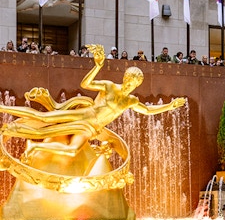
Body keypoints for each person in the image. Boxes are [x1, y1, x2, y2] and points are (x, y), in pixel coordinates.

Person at [0, 44, 186, 160]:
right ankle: (3, 107)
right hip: (85, 115)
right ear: (125, 77)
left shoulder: (130, 100)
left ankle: (35, 146)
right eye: (129, 79)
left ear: (138, 84)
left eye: (135, 82)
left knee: (72, 150)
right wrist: (97, 66)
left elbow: (147, 111)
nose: (131, 84)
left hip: (92, 128)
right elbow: (85, 83)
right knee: (45, 118)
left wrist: (170, 106)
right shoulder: (110, 86)